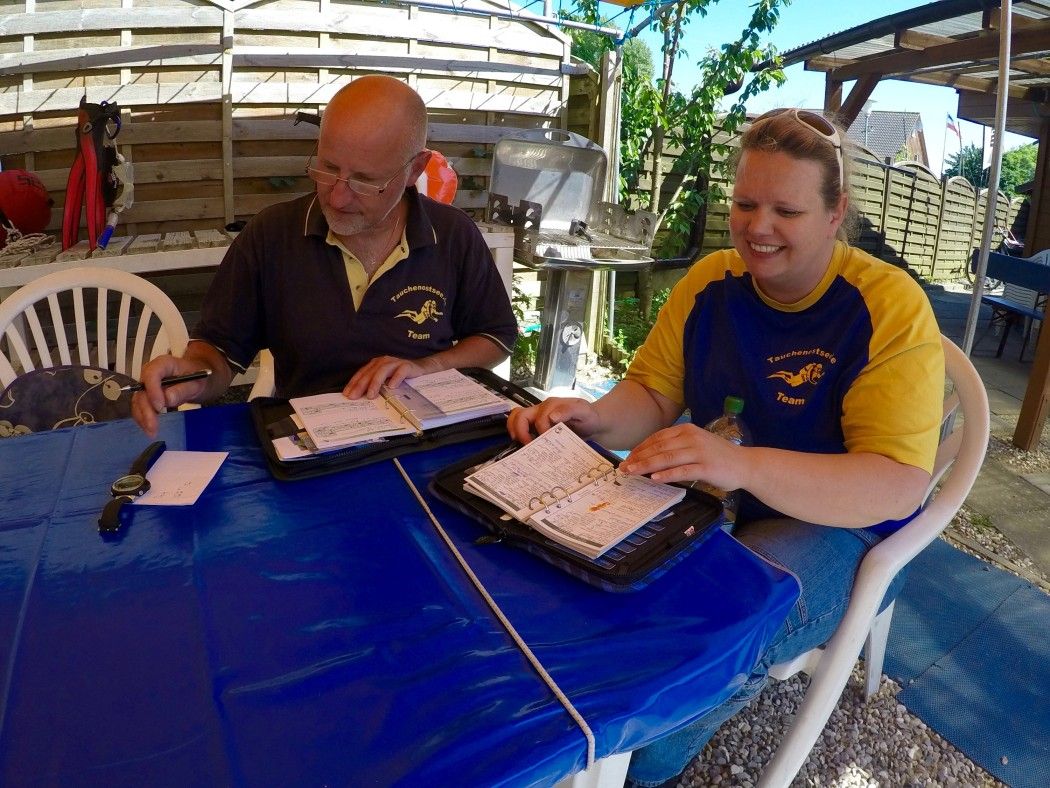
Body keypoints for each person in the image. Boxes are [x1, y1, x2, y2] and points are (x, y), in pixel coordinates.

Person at [507, 108, 944, 787]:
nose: (757, 227)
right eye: (745, 202)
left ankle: (641, 767)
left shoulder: (887, 306)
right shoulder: (711, 282)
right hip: (722, 493)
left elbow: (895, 485)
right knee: (595, 575)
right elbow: (652, 395)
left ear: (836, 214)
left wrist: (740, 465)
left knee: (719, 623)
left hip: (848, 527)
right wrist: (589, 420)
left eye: (786, 210)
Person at [132, 75, 516, 437]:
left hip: (422, 441)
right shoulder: (272, 235)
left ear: (415, 169)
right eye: (328, 168)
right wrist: (188, 376)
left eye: (365, 181)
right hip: (307, 448)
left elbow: (495, 336)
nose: (336, 197)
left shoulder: (451, 234)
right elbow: (218, 353)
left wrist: (425, 368)